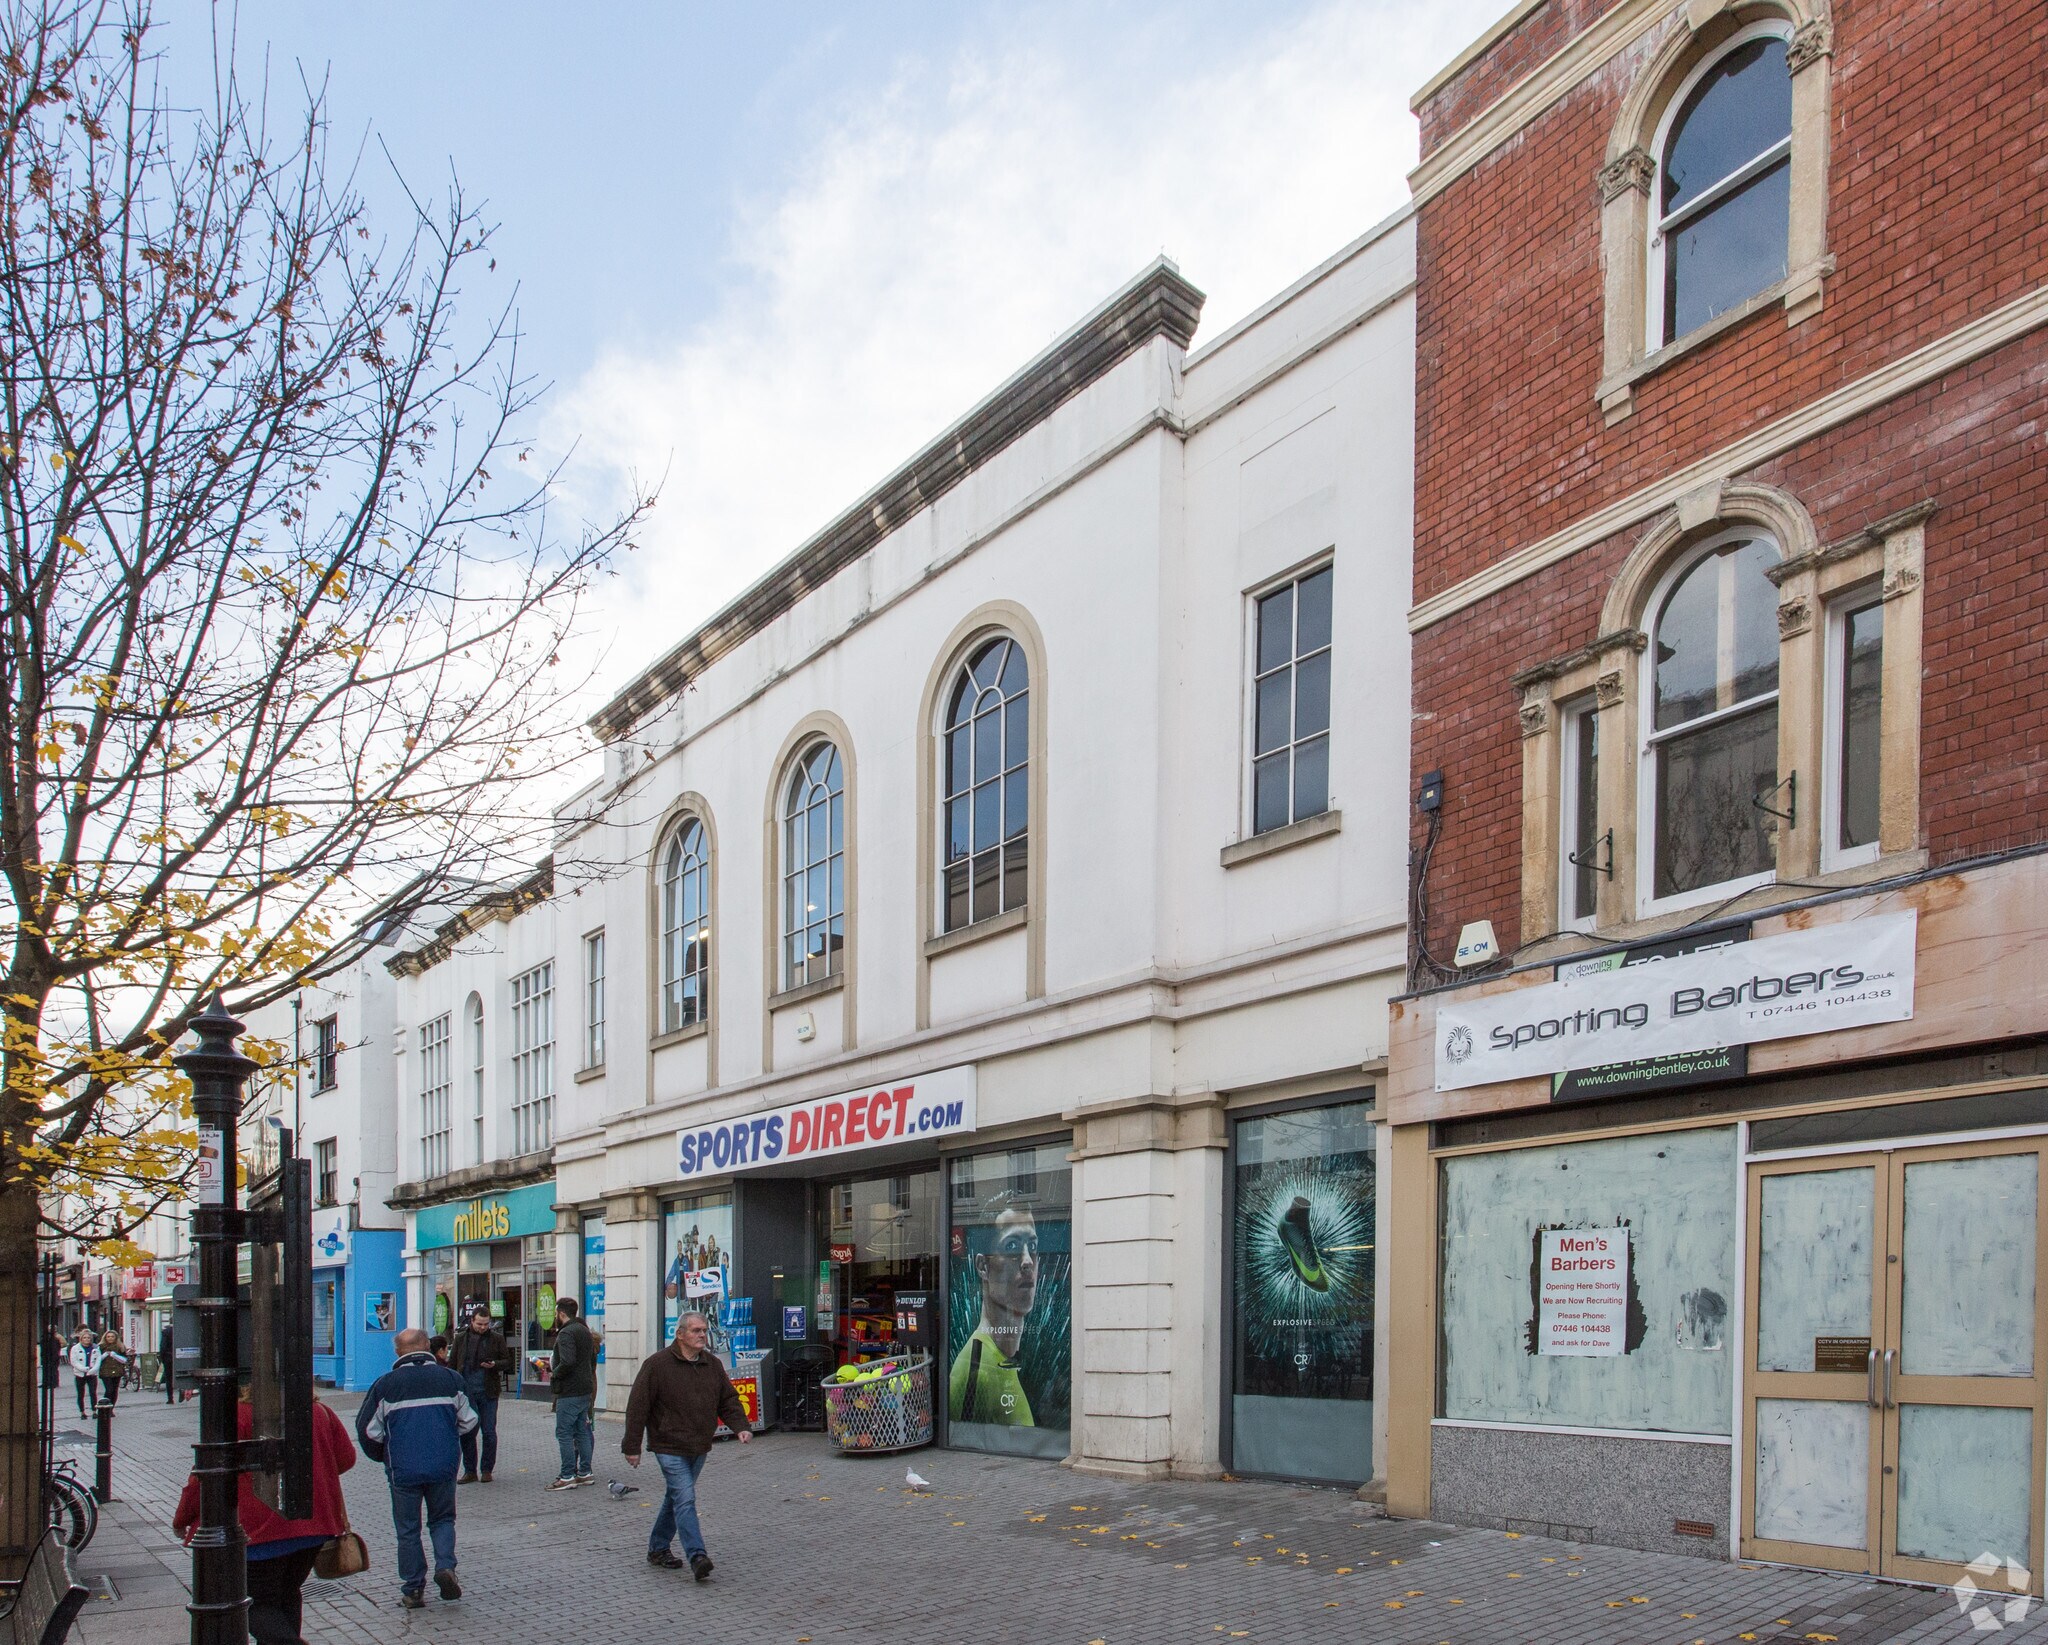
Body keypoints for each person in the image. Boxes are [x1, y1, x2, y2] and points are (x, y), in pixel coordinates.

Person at [174, 1390, 355, 1644]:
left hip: (260, 1532)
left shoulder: (236, 1416)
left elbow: (205, 1476)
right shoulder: (318, 1411)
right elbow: (346, 1459)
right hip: (312, 1527)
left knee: (254, 1604)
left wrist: (182, 1518)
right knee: (287, 1595)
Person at [622, 1311, 749, 1581]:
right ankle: (697, 1555)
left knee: (676, 1497)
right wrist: (631, 1446)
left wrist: (741, 1427)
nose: (702, 1335)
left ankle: (657, 1548)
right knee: (686, 1498)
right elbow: (637, 1407)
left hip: (699, 1445)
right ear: (680, 1334)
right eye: (696, 1331)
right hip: (668, 1444)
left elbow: (728, 1399)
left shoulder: (712, 1364)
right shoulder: (657, 1365)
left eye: (704, 1330)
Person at [356, 1326, 477, 1609]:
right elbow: (470, 1422)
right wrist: (453, 1445)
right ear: (427, 1346)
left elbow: (368, 1432)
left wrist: (385, 1456)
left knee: (408, 1529)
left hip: (403, 1469)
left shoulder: (385, 1385)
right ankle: (446, 1566)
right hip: (443, 1466)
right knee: (443, 1519)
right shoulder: (451, 1380)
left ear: (398, 1352)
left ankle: (413, 1590)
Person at [948, 1190, 1043, 1427]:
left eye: (1032, 1245)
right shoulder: (976, 1369)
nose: (1027, 1260)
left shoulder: (1002, 1359)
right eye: (1011, 1245)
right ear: (983, 1267)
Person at [450, 1309, 507, 1482]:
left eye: (486, 1324)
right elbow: (453, 1363)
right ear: (472, 1321)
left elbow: (507, 1361)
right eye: (479, 1324)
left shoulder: (496, 1338)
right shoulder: (461, 1338)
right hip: (467, 1394)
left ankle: (487, 1469)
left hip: (488, 1392)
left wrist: (494, 1364)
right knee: (467, 1433)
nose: (483, 1327)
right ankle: (470, 1470)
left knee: (489, 1432)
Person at [548, 1297, 597, 1489]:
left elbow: (567, 1361)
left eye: (556, 1313)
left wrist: (555, 1373)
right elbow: (591, 1359)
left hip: (570, 1390)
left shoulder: (567, 1333)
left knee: (565, 1433)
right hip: (585, 1388)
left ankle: (567, 1475)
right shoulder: (584, 1330)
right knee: (581, 1431)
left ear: (561, 1313)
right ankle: (585, 1472)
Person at [94, 1330, 130, 1407]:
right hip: (105, 1371)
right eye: (108, 1337)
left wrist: (115, 1355)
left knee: (114, 1390)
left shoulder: (120, 1347)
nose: (110, 1338)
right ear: (105, 1338)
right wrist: (104, 1355)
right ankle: (104, 1405)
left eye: (112, 1337)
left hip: (117, 1371)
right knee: (109, 1390)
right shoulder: (100, 1347)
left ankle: (111, 1408)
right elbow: (96, 1360)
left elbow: (124, 1360)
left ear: (116, 1338)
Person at [68, 1328, 97, 1416]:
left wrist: (93, 1369)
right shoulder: (75, 1348)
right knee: (81, 1393)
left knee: (93, 1392)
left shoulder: (95, 1348)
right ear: (81, 1339)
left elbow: (98, 1360)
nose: (87, 1340)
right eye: (84, 1338)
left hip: (92, 1374)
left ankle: (94, 1411)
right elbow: (73, 1361)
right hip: (80, 1374)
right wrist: (83, 1368)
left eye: (88, 1338)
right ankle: (82, 1412)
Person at [159, 1318, 178, 1403]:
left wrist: (162, 1358)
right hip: (179, 1356)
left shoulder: (166, 1332)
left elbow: (163, 1346)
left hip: (168, 1358)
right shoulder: (181, 1330)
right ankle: (182, 1392)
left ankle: (170, 1398)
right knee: (181, 1374)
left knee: (168, 1377)